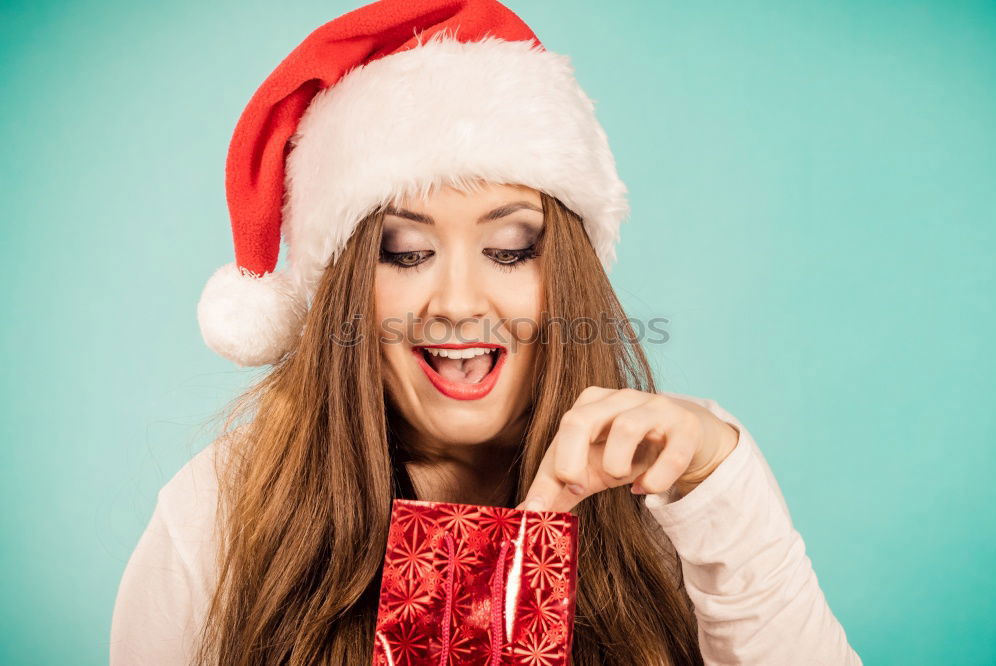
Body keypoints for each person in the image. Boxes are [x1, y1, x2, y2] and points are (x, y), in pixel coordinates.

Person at [110, 1, 863, 664]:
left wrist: (721, 488)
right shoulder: (219, 516)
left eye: (510, 249)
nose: (459, 302)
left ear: (564, 273)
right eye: (405, 254)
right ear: (344, 295)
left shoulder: (677, 492)